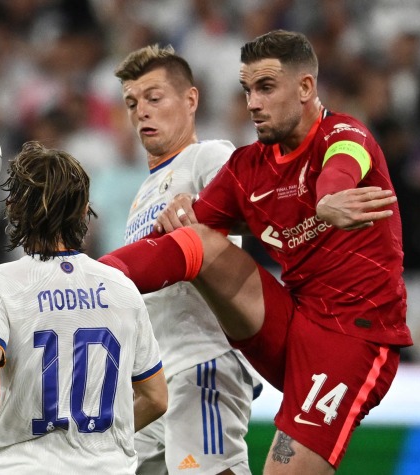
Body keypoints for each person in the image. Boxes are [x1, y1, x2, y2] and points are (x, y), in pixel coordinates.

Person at [100, 30, 413, 474]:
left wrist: (329, 197)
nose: (252, 103)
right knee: (197, 238)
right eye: (247, 90)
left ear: (305, 87)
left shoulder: (345, 134)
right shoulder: (247, 166)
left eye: (265, 88)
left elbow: (342, 167)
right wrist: (92, 276)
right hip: (292, 320)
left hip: (353, 335)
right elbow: (177, 243)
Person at [0, 141, 168, 474]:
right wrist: (98, 447)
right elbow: (156, 398)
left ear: (14, 209)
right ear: (85, 210)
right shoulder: (121, 288)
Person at [112, 44, 261, 475]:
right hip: (154, 381)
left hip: (201, 360)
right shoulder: (144, 192)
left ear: (190, 100)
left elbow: (250, 205)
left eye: (154, 98)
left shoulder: (207, 156)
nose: (142, 111)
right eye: (132, 103)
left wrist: (203, 206)